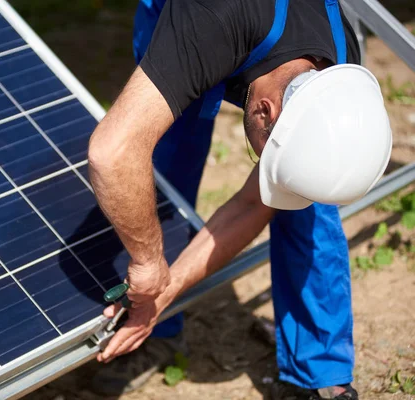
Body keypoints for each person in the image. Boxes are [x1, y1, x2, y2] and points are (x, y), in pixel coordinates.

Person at [86, 0, 392, 399]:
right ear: (265, 111)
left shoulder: (339, 69)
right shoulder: (207, 18)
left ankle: (320, 373)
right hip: (192, 20)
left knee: (311, 192)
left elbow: (254, 203)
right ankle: (160, 335)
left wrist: (167, 288)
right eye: (263, 155)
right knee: (164, 167)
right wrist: (147, 262)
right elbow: (112, 153)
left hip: (247, 33)